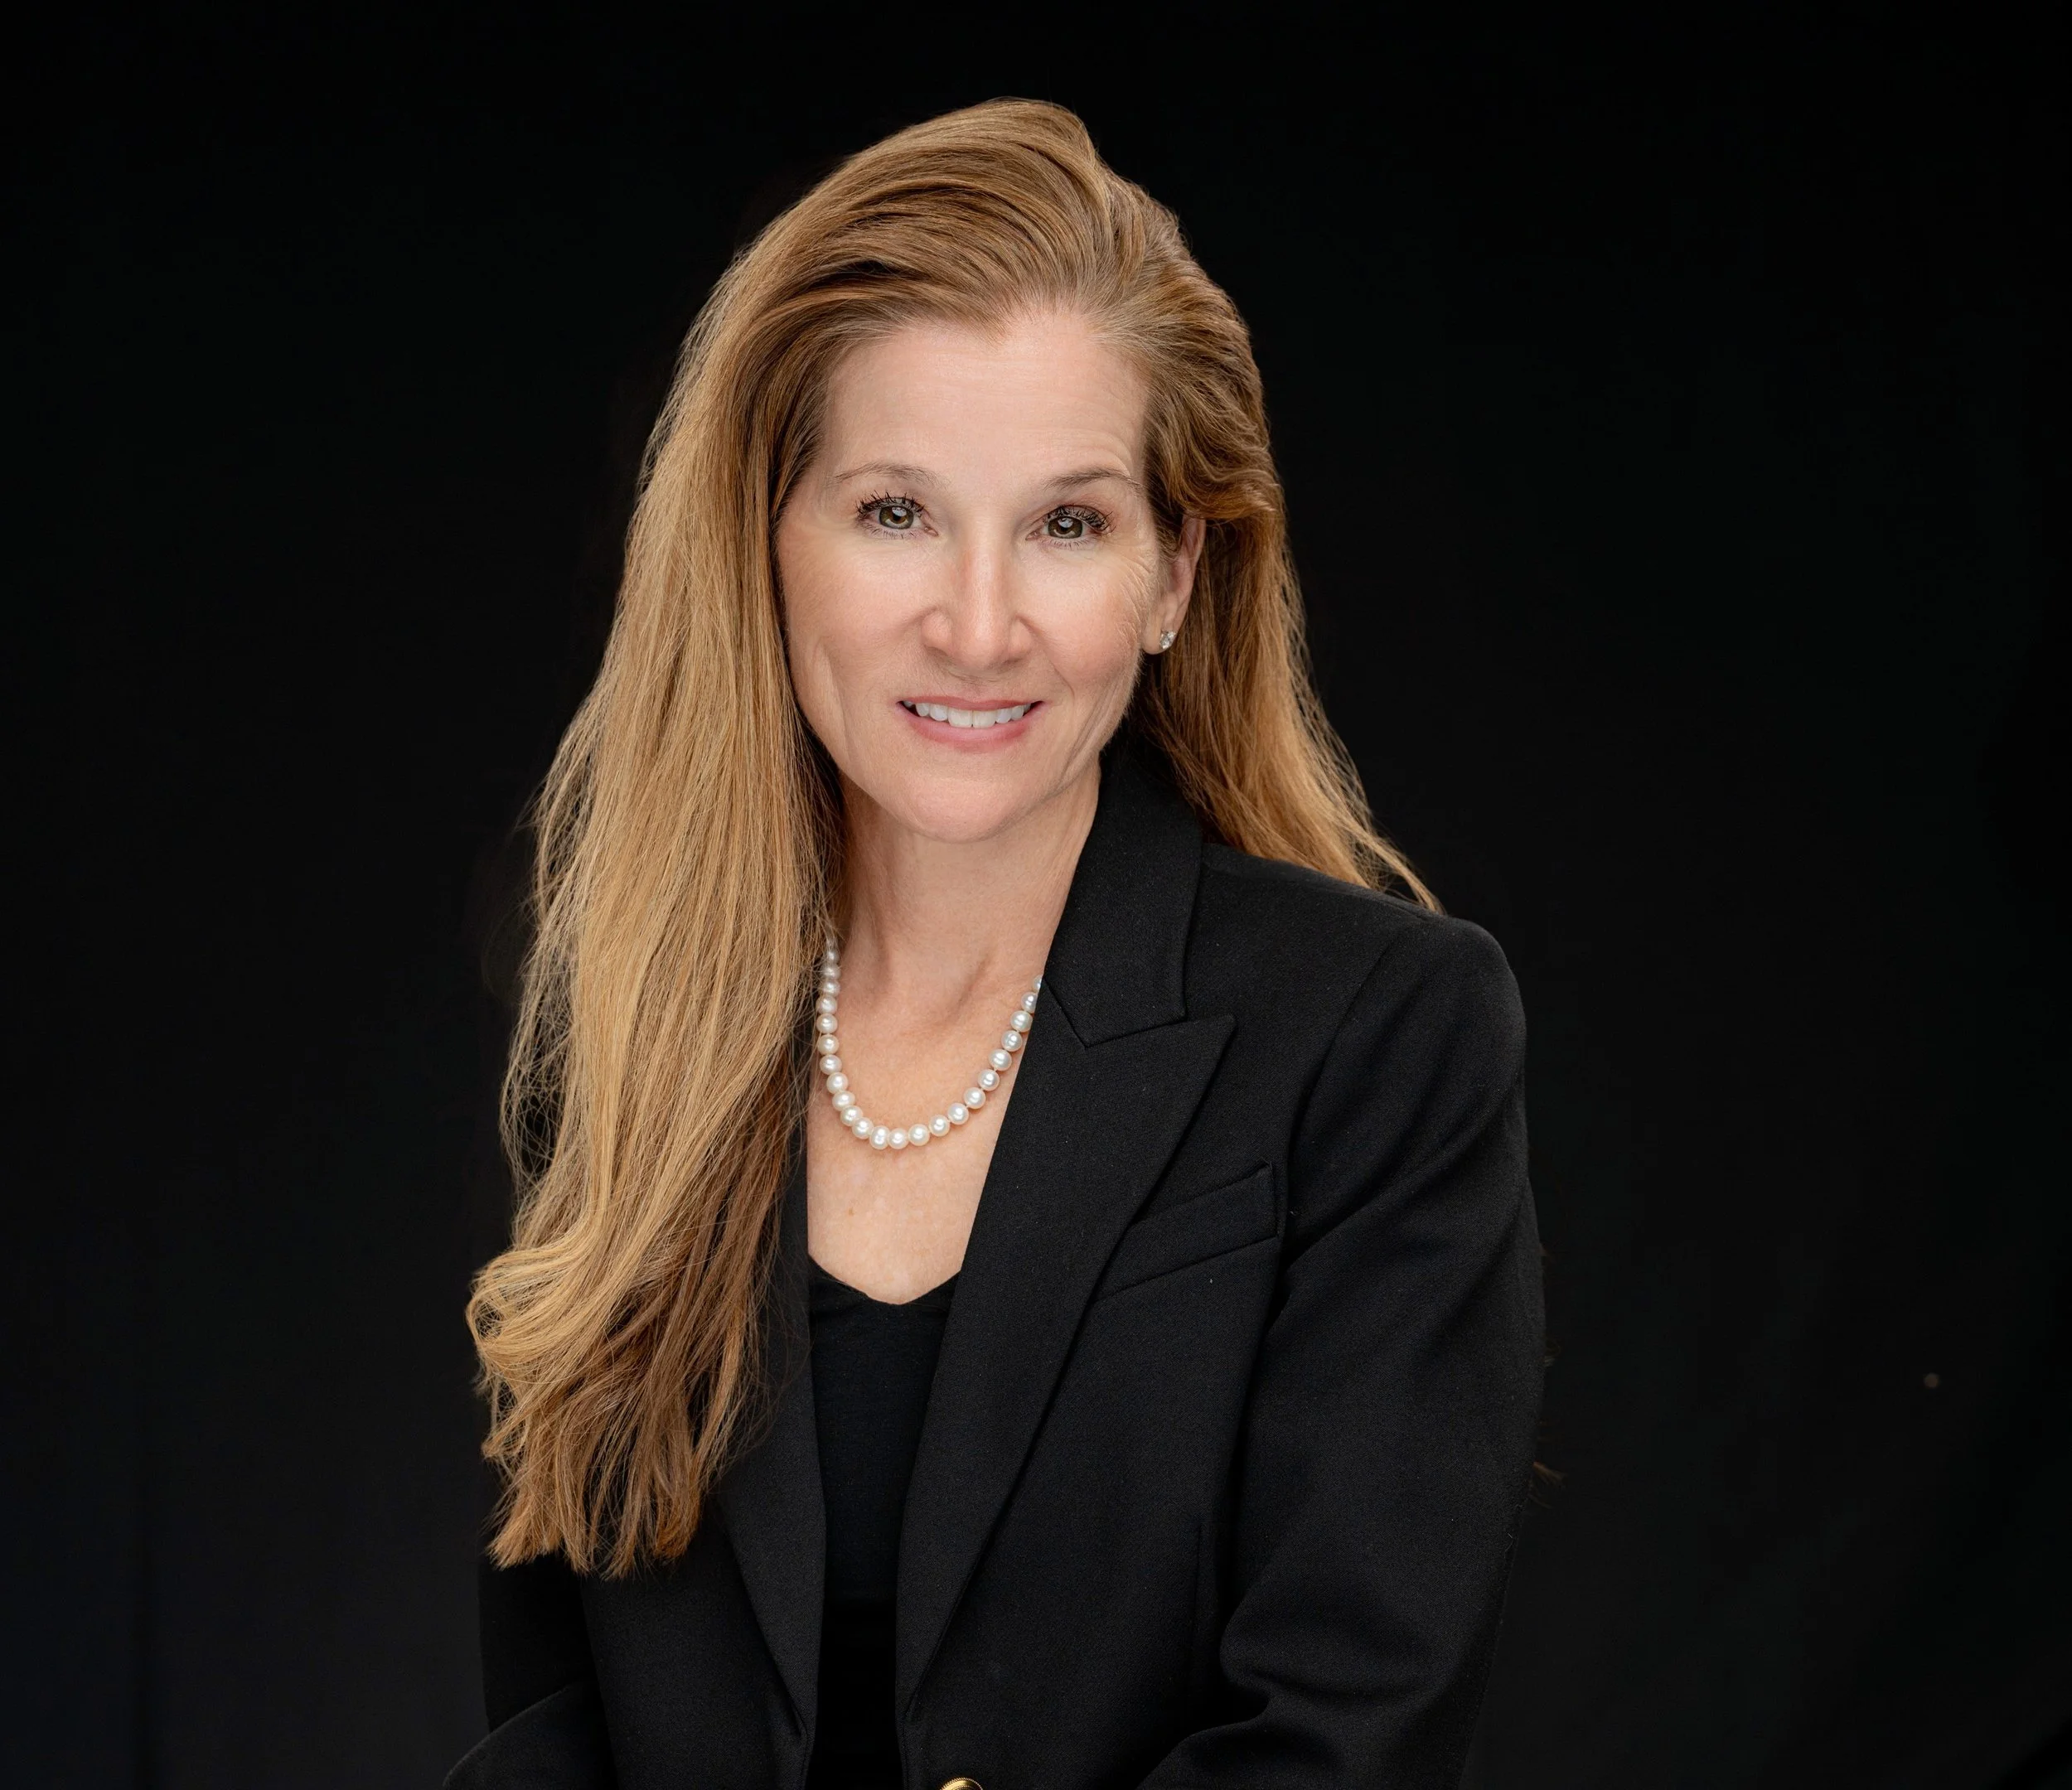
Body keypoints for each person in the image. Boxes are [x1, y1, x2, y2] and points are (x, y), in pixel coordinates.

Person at [448, 99, 1542, 1790]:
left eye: (1067, 523)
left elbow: (1343, 1735)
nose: (976, 622)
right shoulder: (633, 1029)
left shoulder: (1376, 1036)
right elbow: (551, 1719)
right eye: (893, 511)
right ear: (766, 543)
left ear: (1175, 574)